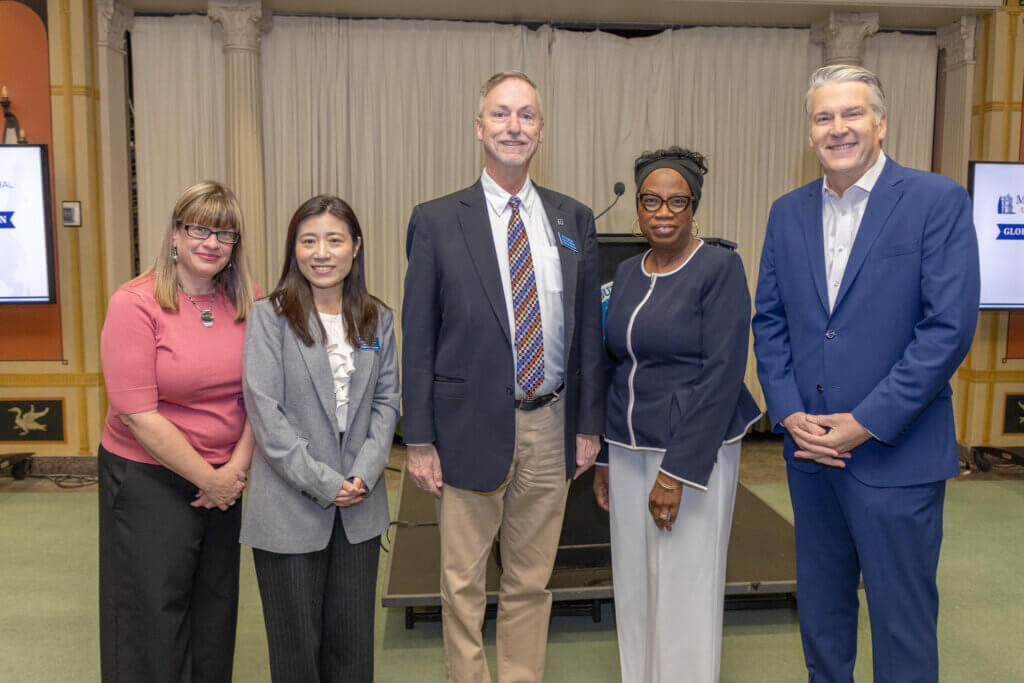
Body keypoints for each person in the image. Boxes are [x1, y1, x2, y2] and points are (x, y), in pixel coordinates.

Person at [752, 65, 980, 683]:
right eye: (823, 117)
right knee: (822, 622)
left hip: (896, 456)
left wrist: (868, 421)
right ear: (809, 134)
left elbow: (947, 330)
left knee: (902, 629)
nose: (838, 128)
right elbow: (769, 321)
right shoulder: (786, 212)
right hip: (811, 458)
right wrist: (788, 411)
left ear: (880, 124)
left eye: (852, 114)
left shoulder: (936, 200)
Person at [401, 70, 605, 682]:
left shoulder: (573, 219)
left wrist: (588, 425)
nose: (513, 126)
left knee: (531, 579)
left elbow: (587, 334)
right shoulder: (437, 220)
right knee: (462, 581)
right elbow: (419, 336)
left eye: (526, 115)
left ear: (541, 131)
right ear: (479, 127)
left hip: (551, 424)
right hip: (466, 426)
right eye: (501, 114)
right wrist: (419, 439)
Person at [592, 147, 761, 683]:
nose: (663, 212)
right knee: (635, 586)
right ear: (638, 207)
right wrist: (603, 456)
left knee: (686, 588)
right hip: (627, 449)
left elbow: (722, 374)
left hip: (691, 454)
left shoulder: (719, 268)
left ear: (694, 207)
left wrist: (677, 471)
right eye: (651, 201)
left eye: (676, 201)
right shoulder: (626, 272)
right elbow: (612, 364)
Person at [98, 180, 257, 683]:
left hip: (227, 478)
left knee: (214, 613)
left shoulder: (249, 301)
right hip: (149, 478)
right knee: (151, 617)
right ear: (174, 234)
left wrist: (233, 472)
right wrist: (210, 479)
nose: (212, 243)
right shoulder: (135, 303)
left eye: (225, 234)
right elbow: (137, 413)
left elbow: (263, 397)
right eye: (199, 230)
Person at [240, 195, 399, 682]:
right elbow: (266, 413)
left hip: (359, 510)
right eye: (308, 241)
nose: (322, 252)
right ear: (294, 249)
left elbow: (386, 403)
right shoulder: (269, 317)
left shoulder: (377, 318)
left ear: (356, 247)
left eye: (334, 240)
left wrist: (362, 475)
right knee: (296, 656)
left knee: (353, 653)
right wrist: (327, 483)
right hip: (288, 506)